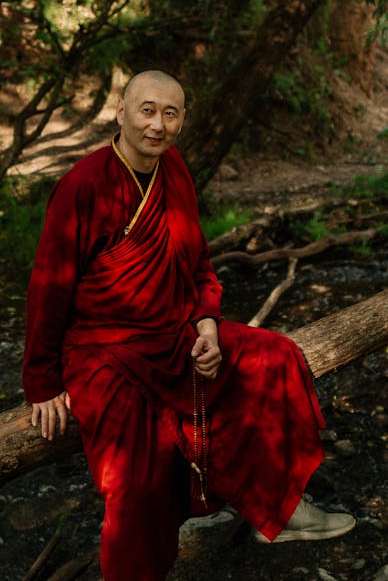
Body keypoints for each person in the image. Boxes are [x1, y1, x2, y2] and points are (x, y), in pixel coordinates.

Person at [23, 70, 355, 581]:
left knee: (275, 356)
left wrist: (206, 321)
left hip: (179, 333)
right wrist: (42, 383)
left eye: (170, 113)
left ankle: (279, 505)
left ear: (182, 121)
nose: (157, 125)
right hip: (105, 351)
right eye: (147, 110)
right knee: (137, 482)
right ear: (122, 111)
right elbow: (49, 288)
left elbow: (199, 263)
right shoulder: (82, 186)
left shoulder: (173, 170)